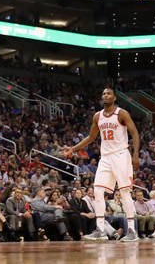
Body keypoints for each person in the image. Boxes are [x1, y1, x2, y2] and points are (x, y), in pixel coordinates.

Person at [61, 87, 141, 242]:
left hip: (120, 155)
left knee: (124, 192)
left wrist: (136, 154)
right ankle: (100, 230)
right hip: (105, 157)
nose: (105, 95)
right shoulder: (98, 116)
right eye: (103, 94)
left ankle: (132, 230)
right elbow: (91, 137)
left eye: (108, 93)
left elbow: (135, 133)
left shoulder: (122, 113)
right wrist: (73, 149)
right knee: (97, 190)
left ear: (114, 98)